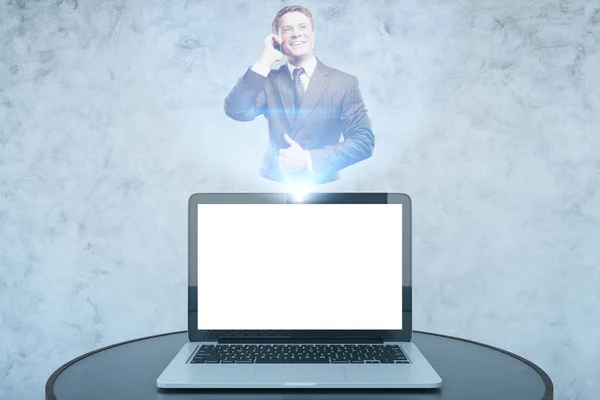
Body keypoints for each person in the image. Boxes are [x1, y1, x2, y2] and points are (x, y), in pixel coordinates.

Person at [224, 5, 375, 186]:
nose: (296, 34)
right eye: (287, 30)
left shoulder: (343, 83)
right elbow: (236, 111)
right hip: (273, 183)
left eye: (302, 27)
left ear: (313, 33)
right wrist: (265, 60)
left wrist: (307, 159)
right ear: (278, 40)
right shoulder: (267, 80)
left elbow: (363, 142)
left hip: (323, 184)